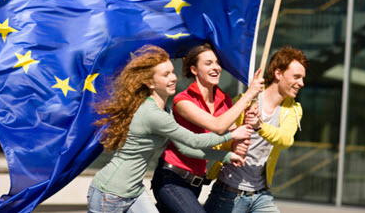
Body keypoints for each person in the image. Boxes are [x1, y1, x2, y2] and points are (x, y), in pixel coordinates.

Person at [87, 45, 253, 213]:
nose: (173, 78)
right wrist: (231, 134)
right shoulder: (153, 114)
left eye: (172, 72)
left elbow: (185, 148)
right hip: (110, 193)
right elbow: (194, 140)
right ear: (149, 82)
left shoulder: (164, 110)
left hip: (135, 192)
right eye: (165, 75)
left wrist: (226, 156)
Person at [151, 43, 264, 213]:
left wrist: (250, 125)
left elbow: (232, 138)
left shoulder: (224, 100)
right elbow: (217, 127)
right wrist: (249, 94)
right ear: (194, 70)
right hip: (171, 179)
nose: (216, 67)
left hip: (196, 183)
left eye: (218, 63)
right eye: (208, 63)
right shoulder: (182, 101)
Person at [204, 46, 309, 213]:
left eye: (302, 78)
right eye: (296, 77)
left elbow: (286, 140)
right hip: (229, 192)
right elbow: (215, 140)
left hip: (261, 195)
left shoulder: (294, 109)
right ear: (278, 73)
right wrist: (232, 145)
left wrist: (260, 126)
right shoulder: (244, 102)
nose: (301, 83)